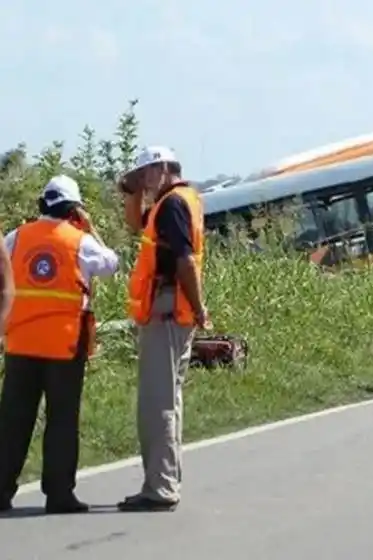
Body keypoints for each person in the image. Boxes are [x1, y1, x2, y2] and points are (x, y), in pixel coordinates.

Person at [0, 175, 119, 513]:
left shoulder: (16, 237)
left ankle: (0, 489)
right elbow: (112, 264)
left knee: (12, 420)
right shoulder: (80, 241)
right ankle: (59, 495)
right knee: (62, 421)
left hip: (20, 344)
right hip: (64, 348)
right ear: (73, 210)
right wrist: (91, 228)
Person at [118, 147, 207, 512]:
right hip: (173, 309)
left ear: (164, 168)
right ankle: (165, 481)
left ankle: (161, 487)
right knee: (168, 399)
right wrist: (132, 191)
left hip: (168, 308)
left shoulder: (172, 205)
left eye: (148, 173)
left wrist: (200, 309)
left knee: (158, 404)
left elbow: (185, 260)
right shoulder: (176, 201)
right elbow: (136, 224)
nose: (145, 180)